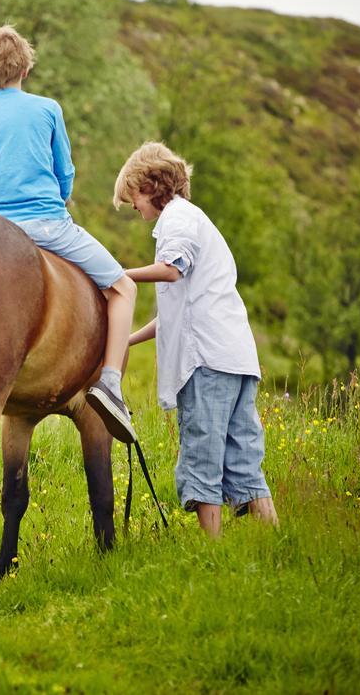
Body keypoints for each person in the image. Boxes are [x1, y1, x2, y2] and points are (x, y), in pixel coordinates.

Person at [0, 24, 138, 441]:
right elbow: (65, 173)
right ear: (25, 69)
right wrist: (60, 197)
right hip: (47, 225)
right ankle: (110, 382)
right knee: (124, 287)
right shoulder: (47, 109)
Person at [114, 141, 278, 536]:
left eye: (132, 197)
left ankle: (212, 549)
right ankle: (275, 539)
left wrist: (116, 273)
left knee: (202, 453)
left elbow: (171, 270)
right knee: (243, 456)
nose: (134, 208)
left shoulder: (176, 221)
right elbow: (174, 312)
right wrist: (128, 339)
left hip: (206, 361)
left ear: (149, 187)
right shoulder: (195, 219)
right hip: (234, 356)